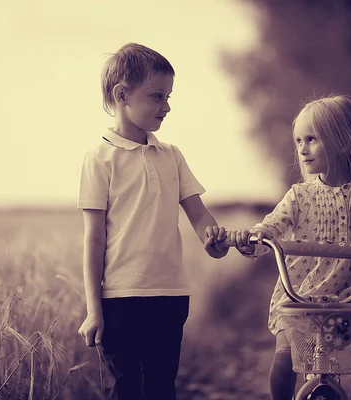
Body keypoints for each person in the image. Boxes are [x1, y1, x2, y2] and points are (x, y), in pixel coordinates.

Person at [224, 95, 351, 400]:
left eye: (312, 139)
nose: (302, 149)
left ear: (343, 141)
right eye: (298, 141)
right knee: (285, 356)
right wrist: (251, 239)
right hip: (300, 295)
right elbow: (270, 228)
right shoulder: (299, 196)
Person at [77, 42, 228, 400]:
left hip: (171, 294)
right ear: (122, 95)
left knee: (162, 386)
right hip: (120, 298)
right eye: (157, 96)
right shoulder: (99, 159)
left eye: (168, 96)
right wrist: (93, 309)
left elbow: (198, 213)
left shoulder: (171, 156)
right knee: (125, 387)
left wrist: (215, 241)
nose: (167, 106)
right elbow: (93, 240)